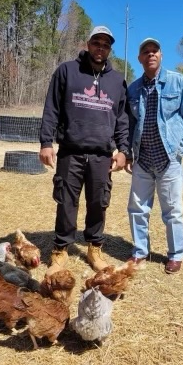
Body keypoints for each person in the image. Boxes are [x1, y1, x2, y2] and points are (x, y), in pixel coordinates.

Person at [39, 26, 129, 273]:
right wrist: (46, 142)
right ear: (88, 44)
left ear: (110, 49)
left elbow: (122, 119)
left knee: (99, 202)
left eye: (106, 44)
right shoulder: (67, 71)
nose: (100, 48)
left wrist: (123, 150)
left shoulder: (117, 80)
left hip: (102, 154)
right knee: (66, 201)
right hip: (71, 151)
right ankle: (60, 250)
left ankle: (94, 248)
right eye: (96, 42)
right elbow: (52, 109)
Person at [125, 38, 183, 274]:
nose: (150, 55)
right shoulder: (133, 89)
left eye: (154, 51)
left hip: (169, 160)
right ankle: (139, 251)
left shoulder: (179, 82)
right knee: (137, 209)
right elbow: (129, 123)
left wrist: (181, 149)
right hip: (143, 160)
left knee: (173, 211)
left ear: (161, 55)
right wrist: (128, 153)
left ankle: (176, 254)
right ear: (140, 58)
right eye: (145, 51)